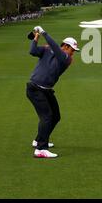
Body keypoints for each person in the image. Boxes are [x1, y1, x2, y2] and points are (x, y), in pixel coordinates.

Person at [26, 26, 79, 158]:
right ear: (66, 46)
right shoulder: (47, 49)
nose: (73, 53)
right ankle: (40, 149)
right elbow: (32, 51)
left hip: (46, 90)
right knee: (47, 117)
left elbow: (56, 48)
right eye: (72, 49)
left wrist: (44, 33)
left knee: (56, 116)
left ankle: (39, 139)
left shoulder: (67, 59)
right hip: (35, 88)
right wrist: (37, 37)